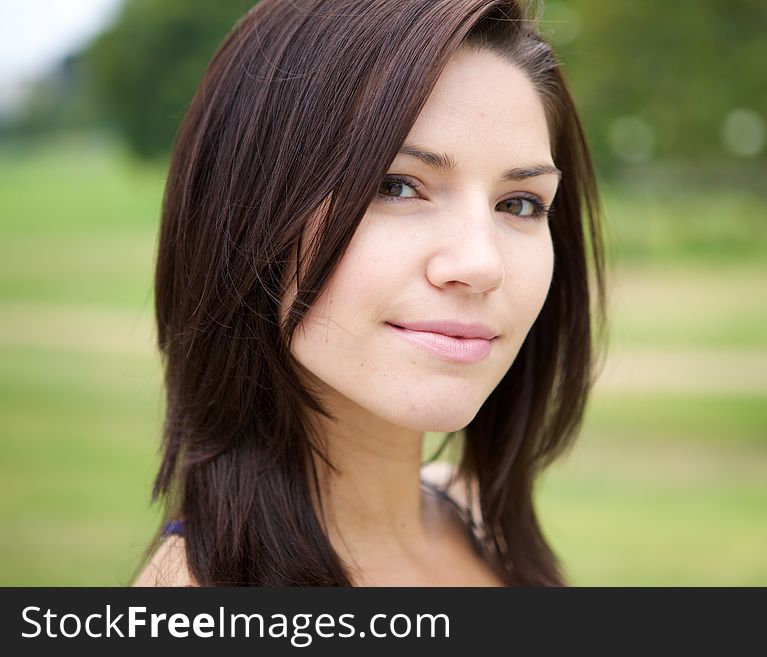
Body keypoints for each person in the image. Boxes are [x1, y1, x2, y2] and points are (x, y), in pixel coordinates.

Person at [133, 0, 605, 587]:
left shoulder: (479, 522)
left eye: (519, 204)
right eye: (398, 186)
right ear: (250, 208)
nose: (481, 264)